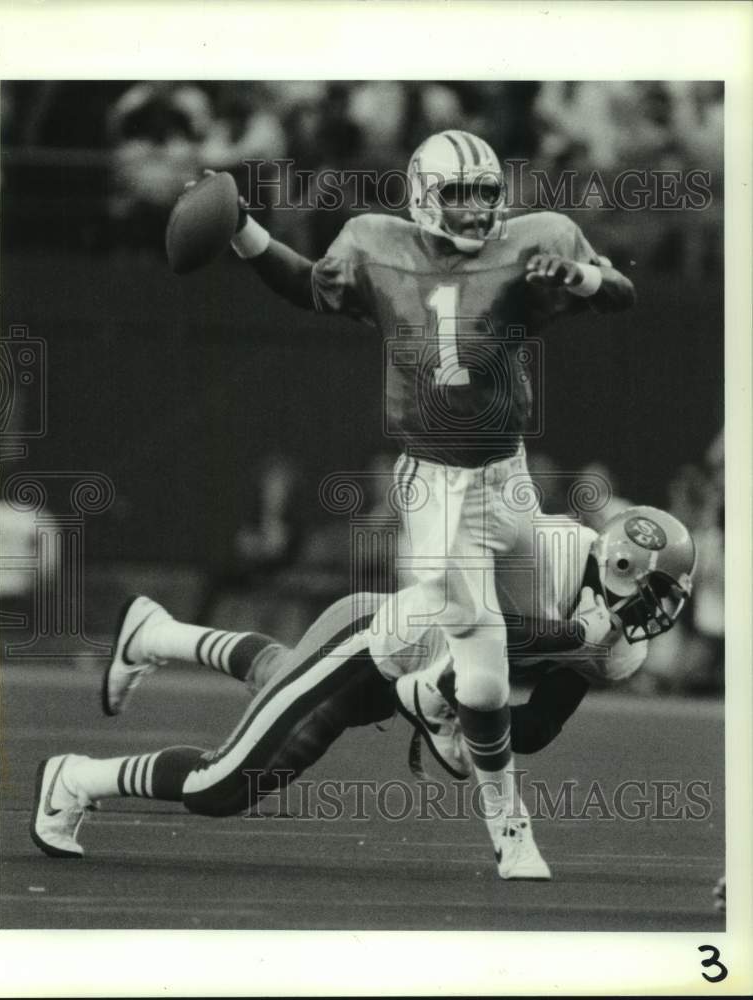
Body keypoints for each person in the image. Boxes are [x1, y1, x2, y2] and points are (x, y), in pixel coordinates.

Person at [207, 128, 636, 873]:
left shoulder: (540, 236)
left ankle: (429, 694)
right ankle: (509, 826)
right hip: (437, 485)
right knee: (488, 667)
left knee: (546, 612)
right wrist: (243, 232)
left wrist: (581, 279)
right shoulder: (375, 242)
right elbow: (310, 285)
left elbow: (621, 294)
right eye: (459, 193)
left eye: (484, 194)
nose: (474, 210)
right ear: (422, 195)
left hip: (508, 472)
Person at [31, 505, 694, 880]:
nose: (652, 616)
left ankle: (159, 634)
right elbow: (472, 615)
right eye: (655, 594)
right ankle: (77, 778)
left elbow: (543, 724)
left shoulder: (622, 645)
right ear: (618, 565)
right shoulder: (544, 547)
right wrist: (566, 632)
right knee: (224, 786)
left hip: (410, 664)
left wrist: (464, 716)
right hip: (380, 643)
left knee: (284, 685)